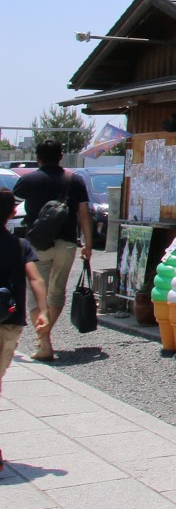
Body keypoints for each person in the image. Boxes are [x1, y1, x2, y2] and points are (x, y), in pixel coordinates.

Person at [12, 139, 92, 361]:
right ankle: (44, 337)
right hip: (67, 244)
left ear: (37, 157)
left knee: (35, 294)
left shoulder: (28, 180)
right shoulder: (74, 180)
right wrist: (88, 243)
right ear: (61, 156)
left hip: (37, 244)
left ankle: (45, 344)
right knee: (57, 292)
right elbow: (84, 214)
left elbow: (10, 205)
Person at [1, 190, 52, 464]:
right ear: (12, 214)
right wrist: (42, 311)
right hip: (9, 321)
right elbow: (36, 279)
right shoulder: (20, 246)